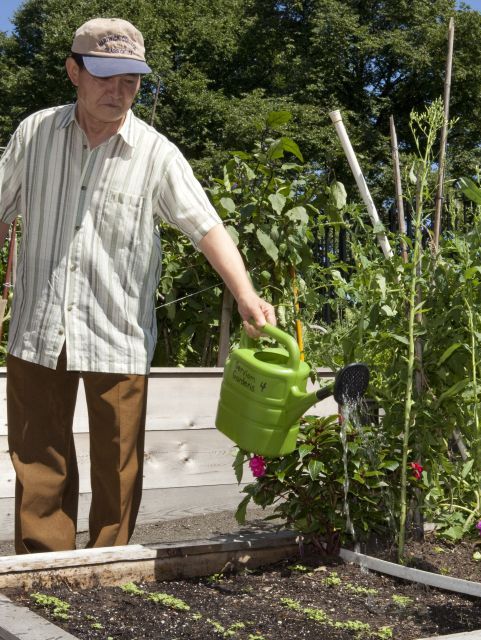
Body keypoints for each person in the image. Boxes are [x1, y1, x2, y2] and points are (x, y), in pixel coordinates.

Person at [0, 17, 276, 554]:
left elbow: (206, 226)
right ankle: (42, 569)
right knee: (38, 456)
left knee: (117, 463)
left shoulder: (156, 153)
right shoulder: (34, 133)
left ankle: (109, 568)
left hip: (117, 330)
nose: (118, 91)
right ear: (73, 72)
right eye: (105, 76)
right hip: (38, 325)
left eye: (131, 80)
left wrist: (246, 294)